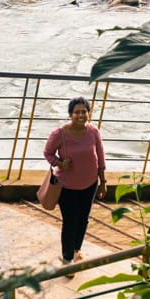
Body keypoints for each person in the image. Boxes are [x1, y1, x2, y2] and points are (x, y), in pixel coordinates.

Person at [43, 96, 107, 262]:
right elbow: (48, 153)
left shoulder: (93, 132)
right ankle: (67, 258)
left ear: (89, 113)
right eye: (77, 112)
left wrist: (103, 182)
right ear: (70, 114)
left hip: (90, 184)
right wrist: (59, 163)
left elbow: (100, 157)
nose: (81, 115)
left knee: (83, 219)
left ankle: (76, 250)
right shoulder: (59, 134)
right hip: (67, 186)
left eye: (84, 111)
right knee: (70, 221)